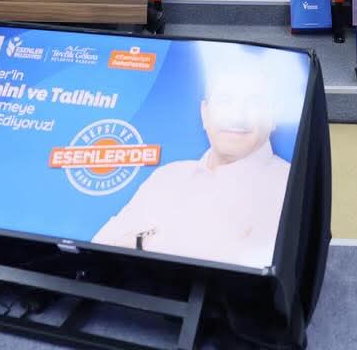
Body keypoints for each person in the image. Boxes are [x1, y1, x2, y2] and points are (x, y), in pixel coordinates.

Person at [90, 59, 289, 267]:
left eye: (254, 103)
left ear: (273, 115)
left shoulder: (288, 188)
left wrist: (145, 241)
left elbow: (235, 270)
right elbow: (100, 247)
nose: (236, 116)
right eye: (225, 101)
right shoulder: (167, 176)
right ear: (205, 113)